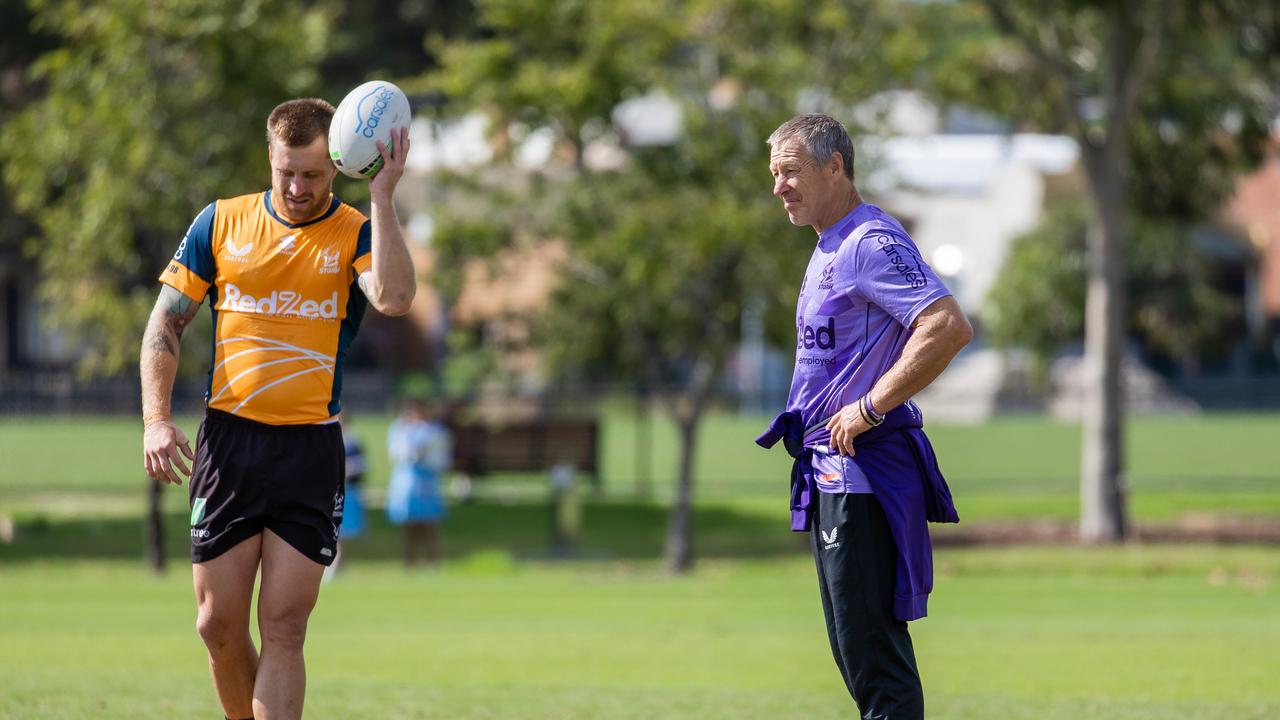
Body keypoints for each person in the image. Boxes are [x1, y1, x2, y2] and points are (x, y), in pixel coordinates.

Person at [139, 98, 415, 720]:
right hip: (229, 447)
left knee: (285, 626)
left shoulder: (357, 231)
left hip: (309, 451)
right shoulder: (221, 222)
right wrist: (156, 418)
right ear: (270, 157)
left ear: (337, 169)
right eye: (286, 171)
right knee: (216, 624)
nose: (297, 187)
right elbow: (166, 322)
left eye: (313, 175)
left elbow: (396, 298)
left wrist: (386, 197)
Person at [755, 113, 972, 719]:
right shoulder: (828, 243)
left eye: (791, 172)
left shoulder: (869, 243)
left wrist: (871, 406)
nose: (779, 187)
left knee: (873, 655)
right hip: (830, 475)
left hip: (863, 477)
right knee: (856, 652)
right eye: (774, 174)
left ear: (835, 167)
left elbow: (947, 326)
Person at [385, 396, 450, 567]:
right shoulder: (399, 429)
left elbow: (442, 458)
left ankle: (433, 561)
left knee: (429, 523)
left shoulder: (434, 430)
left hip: (427, 479)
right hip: (406, 481)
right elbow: (395, 453)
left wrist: (425, 455)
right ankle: (409, 562)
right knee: (409, 523)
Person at [325, 411, 367, 579]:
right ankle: (337, 565)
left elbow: (359, 467)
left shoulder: (352, 442)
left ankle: (336, 567)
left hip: (347, 492)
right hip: (332, 491)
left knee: (341, 531)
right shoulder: (330, 440)